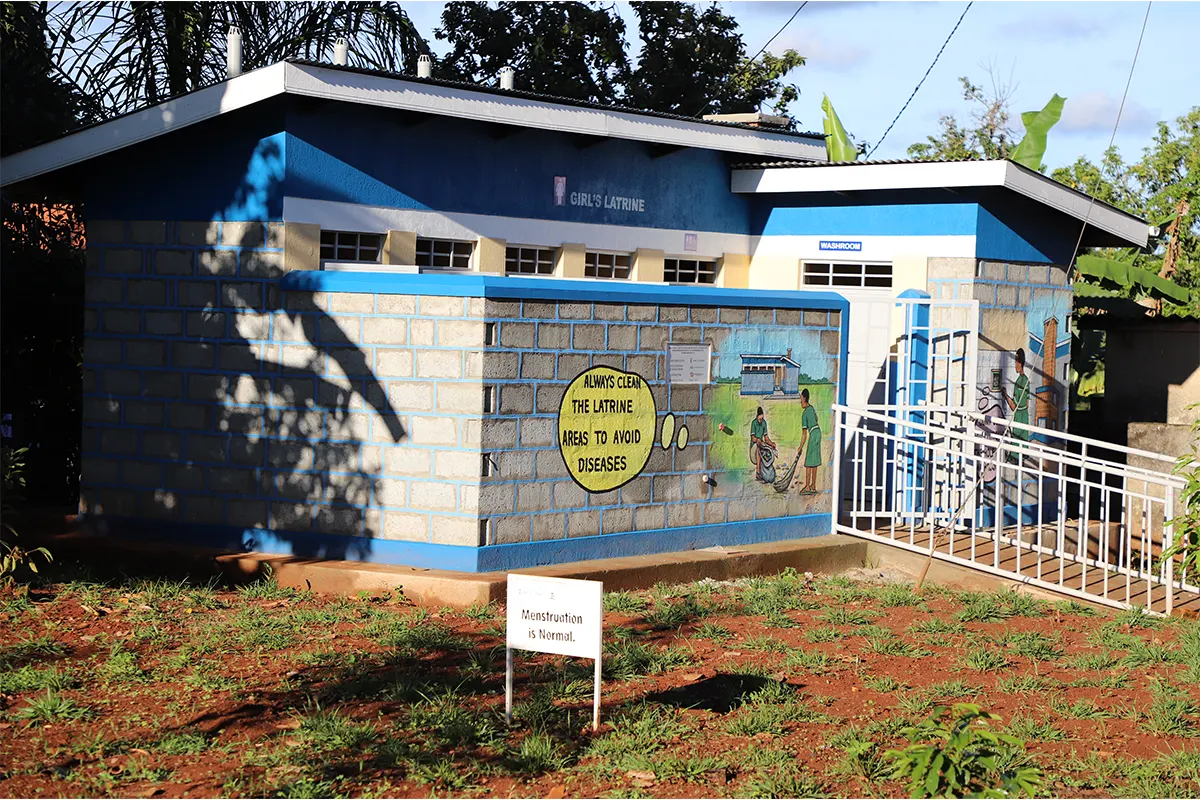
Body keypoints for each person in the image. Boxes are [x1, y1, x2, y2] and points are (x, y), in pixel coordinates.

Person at [1002, 348, 1031, 442]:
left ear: (1020, 363)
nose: (1015, 365)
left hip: (1019, 416)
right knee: (1024, 443)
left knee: (1016, 442)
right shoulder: (1027, 381)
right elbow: (1027, 403)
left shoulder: (1019, 382)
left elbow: (1014, 406)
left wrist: (1005, 395)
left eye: (1016, 362)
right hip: (1025, 416)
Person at [797, 389, 822, 493]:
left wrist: (800, 447)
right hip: (818, 432)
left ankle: (807, 486)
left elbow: (804, 434)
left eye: (801, 398)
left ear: (804, 398)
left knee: (808, 462)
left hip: (813, 434)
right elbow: (816, 419)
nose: (800, 401)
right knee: (814, 460)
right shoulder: (812, 408)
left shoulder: (804, 414)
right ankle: (813, 486)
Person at [750, 406, 776, 483]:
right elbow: (753, 438)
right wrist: (757, 439)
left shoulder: (764, 423)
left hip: (761, 443)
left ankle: (768, 472)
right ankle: (758, 471)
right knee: (759, 448)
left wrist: (771, 443)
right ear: (757, 417)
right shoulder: (754, 423)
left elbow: (766, 438)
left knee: (768, 450)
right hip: (754, 445)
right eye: (760, 419)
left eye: (762, 419)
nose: (761, 421)